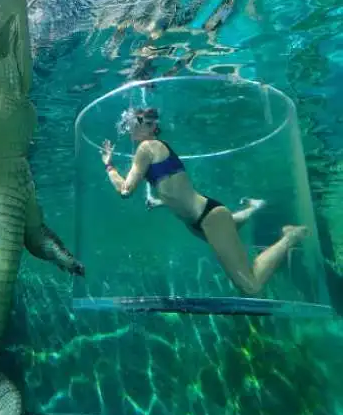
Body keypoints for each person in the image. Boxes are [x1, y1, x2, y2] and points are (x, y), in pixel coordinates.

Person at [100, 107, 308, 296]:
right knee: (229, 225)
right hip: (201, 221)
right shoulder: (152, 149)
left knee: (250, 286)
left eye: (134, 122)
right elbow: (177, 189)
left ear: (151, 126)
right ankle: (253, 208)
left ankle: (291, 236)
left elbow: (125, 190)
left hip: (208, 217)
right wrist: (161, 202)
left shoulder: (147, 147)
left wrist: (109, 166)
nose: (129, 127)